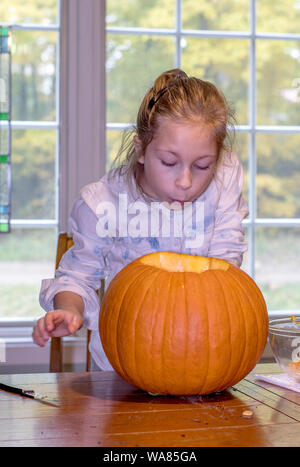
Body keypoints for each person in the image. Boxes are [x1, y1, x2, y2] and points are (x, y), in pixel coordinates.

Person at [32, 69, 249, 371]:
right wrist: (69, 310)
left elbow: (226, 262)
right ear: (141, 149)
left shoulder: (223, 180)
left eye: (202, 165)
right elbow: (77, 278)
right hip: (122, 368)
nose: (185, 181)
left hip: (205, 361)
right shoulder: (104, 203)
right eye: (169, 163)